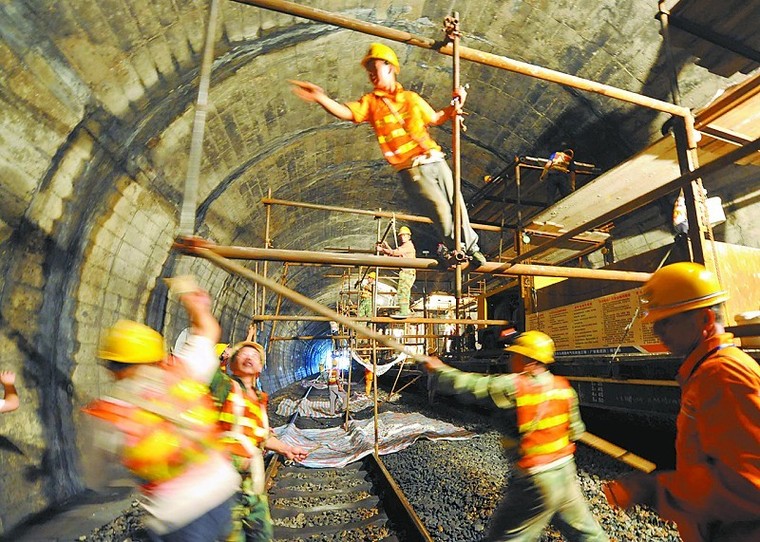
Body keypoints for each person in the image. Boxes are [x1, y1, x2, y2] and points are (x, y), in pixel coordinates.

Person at [290, 43, 487, 269]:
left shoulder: (411, 99)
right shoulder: (372, 103)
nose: (372, 76)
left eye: (376, 70)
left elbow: (435, 118)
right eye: (370, 72)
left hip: (434, 159)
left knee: (457, 205)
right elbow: (348, 113)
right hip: (411, 168)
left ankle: (473, 249)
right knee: (441, 211)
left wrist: (455, 105)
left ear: (391, 67)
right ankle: (458, 250)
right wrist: (321, 98)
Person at [603, 262, 760, 542]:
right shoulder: (705, 372)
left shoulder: (722, 375)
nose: (657, 331)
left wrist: (653, 490)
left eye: (667, 321)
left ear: (705, 320)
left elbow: (749, 485)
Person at [83, 281, 241, 542]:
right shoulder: (182, 372)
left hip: (176, 514)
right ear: (157, 355)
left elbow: (96, 477)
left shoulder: (109, 414)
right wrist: (194, 302)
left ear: (111, 367)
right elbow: (209, 331)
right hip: (222, 489)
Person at [422, 331, 608, 541]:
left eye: (514, 355)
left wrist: (439, 370)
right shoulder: (563, 388)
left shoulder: (514, 387)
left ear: (527, 361)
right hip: (565, 474)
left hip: (536, 480)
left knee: (508, 537)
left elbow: (470, 384)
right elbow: (576, 431)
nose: (510, 360)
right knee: (588, 534)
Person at [210, 340, 308, 542]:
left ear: (261, 367)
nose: (248, 358)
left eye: (254, 356)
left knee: (262, 535)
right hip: (224, 484)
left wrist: (287, 448)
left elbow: (261, 436)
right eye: (242, 355)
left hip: (251, 485)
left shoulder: (259, 398)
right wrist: (219, 358)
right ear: (231, 363)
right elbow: (206, 374)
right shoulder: (225, 387)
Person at [377, 226, 416, 316]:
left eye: (404, 235)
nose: (402, 237)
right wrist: (386, 246)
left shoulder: (408, 246)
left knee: (402, 292)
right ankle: (406, 311)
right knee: (405, 293)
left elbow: (395, 253)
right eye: (401, 235)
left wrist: (382, 250)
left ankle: (404, 312)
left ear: (409, 236)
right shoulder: (405, 247)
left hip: (407, 272)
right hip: (408, 272)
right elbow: (396, 254)